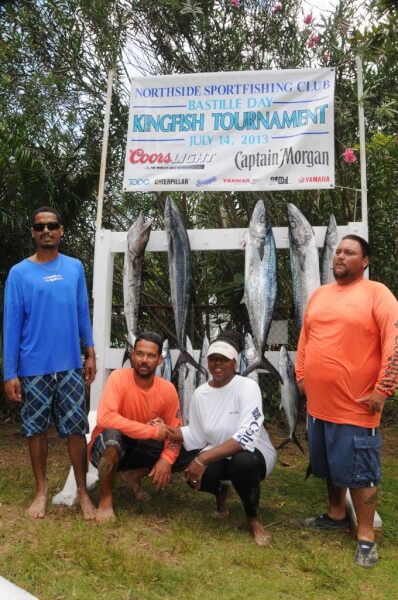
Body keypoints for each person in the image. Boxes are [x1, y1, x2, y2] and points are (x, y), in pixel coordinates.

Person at [296, 234, 398, 568]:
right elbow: (305, 338)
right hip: (318, 407)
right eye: (338, 251)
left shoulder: (377, 294)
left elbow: (394, 343)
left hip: (356, 407)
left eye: (349, 252)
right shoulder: (320, 295)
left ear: (364, 261)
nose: (340, 256)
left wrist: (383, 388)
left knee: (361, 472)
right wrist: (301, 376)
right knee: (329, 466)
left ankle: (366, 537)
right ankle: (336, 514)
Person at [3, 206, 97, 519]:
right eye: (40, 227)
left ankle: (83, 493)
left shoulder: (74, 268)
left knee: (75, 429)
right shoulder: (19, 273)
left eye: (52, 225)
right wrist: (10, 373)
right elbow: (12, 325)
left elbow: (83, 312)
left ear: (61, 230)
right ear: (32, 232)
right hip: (33, 367)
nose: (46, 231)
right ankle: (41, 491)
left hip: (70, 364)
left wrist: (91, 351)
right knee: (35, 430)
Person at [166, 331, 277, 546]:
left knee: (242, 462)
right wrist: (169, 431)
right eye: (213, 359)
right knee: (193, 475)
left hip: (255, 455)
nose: (217, 364)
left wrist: (202, 459)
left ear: (234, 362)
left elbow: (245, 438)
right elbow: (197, 435)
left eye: (224, 359)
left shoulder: (248, 387)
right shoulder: (200, 394)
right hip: (217, 453)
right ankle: (221, 494)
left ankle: (253, 518)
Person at [88, 331, 196, 523]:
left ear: (160, 360)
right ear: (133, 356)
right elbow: (105, 418)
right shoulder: (118, 378)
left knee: (189, 450)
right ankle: (106, 498)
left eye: (151, 355)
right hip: (107, 448)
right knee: (112, 437)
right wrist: (152, 431)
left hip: (140, 446)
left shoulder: (167, 389)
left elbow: (174, 431)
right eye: (140, 354)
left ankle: (134, 475)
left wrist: (166, 459)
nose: (144, 360)